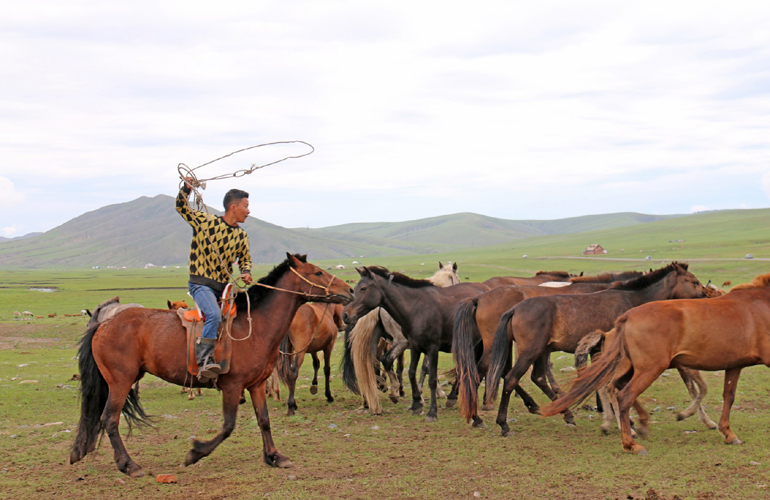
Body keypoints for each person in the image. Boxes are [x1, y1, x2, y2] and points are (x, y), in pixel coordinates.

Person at [176, 177, 253, 381]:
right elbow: (182, 207)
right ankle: (204, 362)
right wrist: (186, 188)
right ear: (234, 207)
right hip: (201, 285)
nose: (248, 211)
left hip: (224, 289)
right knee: (214, 315)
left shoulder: (241, 236)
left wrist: (246, 272)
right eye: (246, 206)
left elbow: (245, 259)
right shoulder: (206, 222)